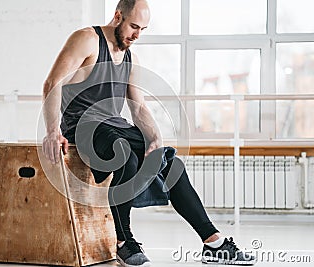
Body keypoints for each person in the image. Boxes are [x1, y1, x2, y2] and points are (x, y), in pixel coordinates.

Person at [42, 0, 256, 266]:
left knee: (169, 162)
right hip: (81, 127)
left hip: (113, 126)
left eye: (143, 29)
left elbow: (138, 106)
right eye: (133, 26)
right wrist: (52, 131)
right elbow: (53, 83)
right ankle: (123, 241)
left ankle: (213, 242)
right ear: (117, 16)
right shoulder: (86, 39)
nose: (137, 35)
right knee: (124, 152)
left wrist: (155, 138)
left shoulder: (130, 57)